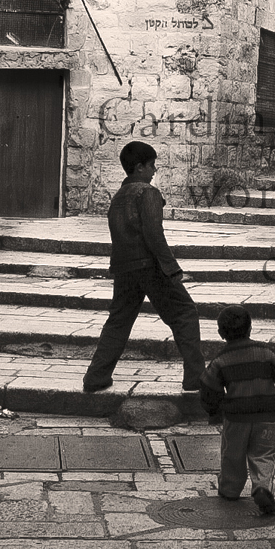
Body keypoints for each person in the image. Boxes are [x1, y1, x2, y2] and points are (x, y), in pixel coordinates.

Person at [82, 141, 206, 393]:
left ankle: (96, 377)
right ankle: (196, 378)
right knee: (185, 313)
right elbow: (153, 234)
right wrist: (171, 268)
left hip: (123, 268)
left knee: (118, 321)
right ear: (139, 167)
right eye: (152, 165)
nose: (155, 170)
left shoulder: (118, 196)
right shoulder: (147, 192)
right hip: (149, 266)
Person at [199, 304, 275, 513]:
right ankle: (262, 486)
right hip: (266, 416)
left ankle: (230, 489)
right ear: (250, 329)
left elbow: (209, 387)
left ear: (220, 333)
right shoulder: (267, 352)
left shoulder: (220, 361)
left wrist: (213, 410)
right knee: (265, 454)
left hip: (236, 418)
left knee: (232, 455)